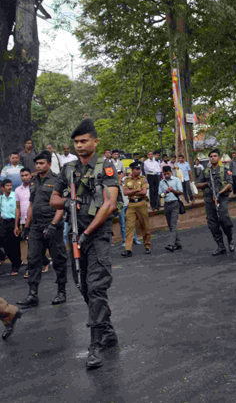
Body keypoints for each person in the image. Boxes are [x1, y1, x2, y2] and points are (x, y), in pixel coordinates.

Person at [49, 118, 121, 369]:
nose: (79, 146)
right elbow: (53, 200)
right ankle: (107, 331)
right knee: (82, 285)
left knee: (96, 287)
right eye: (76, 142)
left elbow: (110, 204)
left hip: (96, 235)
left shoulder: (106, 167)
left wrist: (88, 233)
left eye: (84, 141)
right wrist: (69, 201)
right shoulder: (68, 170)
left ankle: (95, 344)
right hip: (75, 235)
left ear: (95, 141)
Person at [16, 151, 70, 308]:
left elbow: (61, 205)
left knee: (59, 259)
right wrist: (26, 226)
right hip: (36, 227)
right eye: (36, 164)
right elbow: (32, 205)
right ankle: (32, 294)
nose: (38, 166)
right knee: (33, 260)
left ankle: (61, 291)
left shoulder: (58, 180)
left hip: (53, 226)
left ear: (48, 164)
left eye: (41, 163)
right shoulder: (33, 182)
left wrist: (53, 224)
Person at [196, 149, 235, 256]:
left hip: (221, 198)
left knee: (224, 219)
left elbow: (229, 184)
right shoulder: (205, 171)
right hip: (209, 199)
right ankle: (220, 246)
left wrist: (220, 193)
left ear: (218, 158)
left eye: (215, 156)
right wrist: (207, 184)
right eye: (211, 156)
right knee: (212, 223)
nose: (213, 157)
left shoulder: (224, 170)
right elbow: (197, 184)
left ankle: (230, 239)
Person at [122, 162, 152, 257]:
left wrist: (132, 192)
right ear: (132, 170)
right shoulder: (127, 180)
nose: (138, 171)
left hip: (141, 203)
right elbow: (125, 192)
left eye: (139, 169)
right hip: (131, 205)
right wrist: (136, 190)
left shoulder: (143, 179)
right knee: (129, 227)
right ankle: (128, 249)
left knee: (145, 226)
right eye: (136, 169)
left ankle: (147, 246)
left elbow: (144, 192)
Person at [159, 166, 183, 252]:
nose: (166, 175)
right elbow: (160, 195)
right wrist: (165, 193)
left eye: (168, 173)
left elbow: (180, 191)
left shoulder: (176, 180)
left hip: (175, 203)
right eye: (164, 174)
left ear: (171, 172)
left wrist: (173, 191)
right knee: (170, 225)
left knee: (173, 224)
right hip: (167, 204)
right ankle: (178, 243)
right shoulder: (161, 182)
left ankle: (170, 244)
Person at [0, 179, 22, 275]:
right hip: (4, 222)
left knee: (15, 245)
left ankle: (15, 266)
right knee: (5, 244)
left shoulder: (15, 196)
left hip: (14, 221)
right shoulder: (1, 198)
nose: (9, 187)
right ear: (2, 188)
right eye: (7, 186)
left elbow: (19, 209)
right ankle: (5, 256)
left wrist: (18, 224)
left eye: (10, 185)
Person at [15, 168, 33, 271]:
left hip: (36, 219)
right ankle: (31, 266)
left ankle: (44, 261)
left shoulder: (35, 187)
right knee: (29, 242)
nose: (24, 177)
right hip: (24, 220)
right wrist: (16, 225)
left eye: (26, 175)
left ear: (30, 175)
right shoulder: (17, 190)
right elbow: (18, 208)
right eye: (22, 175)